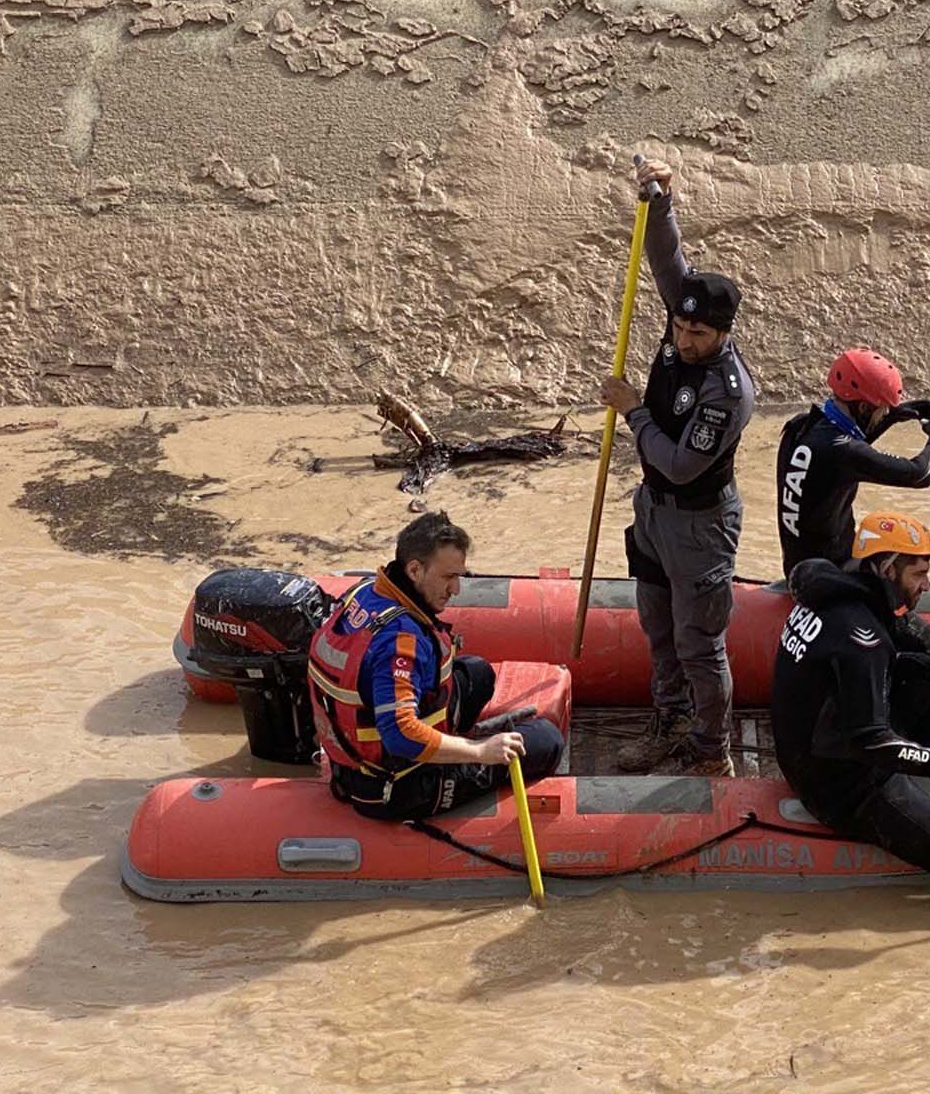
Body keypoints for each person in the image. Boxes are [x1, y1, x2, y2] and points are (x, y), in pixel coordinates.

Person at [772, 511, 930, 916]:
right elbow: (870, 742)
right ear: (886, 568)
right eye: (918, 574)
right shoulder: (862, 642)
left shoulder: (828, 588)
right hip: (843, 787)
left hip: (814, 739)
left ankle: (914, 768)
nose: (926, 585)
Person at [600, 157, 757, 777]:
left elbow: (682, 462)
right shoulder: (677, 324)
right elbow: (666, 262)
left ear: (721, 333)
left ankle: (710, 751)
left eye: (696, 334)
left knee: (699, 645)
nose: (683, 341)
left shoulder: (728, 391)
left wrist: (634, 410)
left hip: (699, 522)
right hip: (653, 512)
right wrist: (659, 199)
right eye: (678, 327)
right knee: (657, 630)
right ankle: (667, 724)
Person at [307, 511, 564, 820]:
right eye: (448, 577)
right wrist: (480, 751)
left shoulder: (365, 592)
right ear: (414, 570)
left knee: (477, 673)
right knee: (546, 740)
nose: (455, 589)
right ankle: (451, 760)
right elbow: (400, 734)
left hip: (352, 752)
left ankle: (450, 743)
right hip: (393, 782)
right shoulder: (399, 642)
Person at [776, 346, 930, 662]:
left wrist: (899, 414)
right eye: (881, 411)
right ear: (861, 406)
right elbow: (922, 473)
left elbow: (854, 447)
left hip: (801, 568)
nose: (883, 416)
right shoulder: (840, 451)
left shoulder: (803, 428)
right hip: (830, 580)